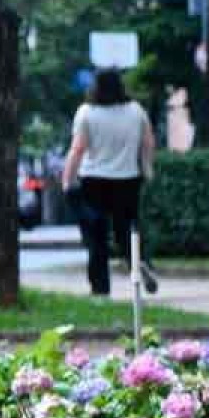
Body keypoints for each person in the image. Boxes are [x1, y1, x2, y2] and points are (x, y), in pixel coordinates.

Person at [61, 69, 158, 297]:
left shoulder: (87, 112)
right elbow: (148, 142)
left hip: (94, 179)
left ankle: (100, 288)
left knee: (97, 237)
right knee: (128, 231)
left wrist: (67, 179)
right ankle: (139, 263)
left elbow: (78, 149)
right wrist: (147, 169)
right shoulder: (136, 111)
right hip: (128, 178)